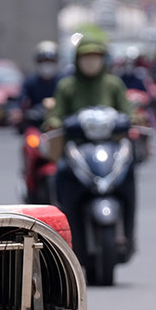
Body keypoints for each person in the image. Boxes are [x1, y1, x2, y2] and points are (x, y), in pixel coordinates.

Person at [45, 37, 138, 253]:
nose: (91, 63)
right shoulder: (67, 86)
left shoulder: (113, 84)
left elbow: (127, 110)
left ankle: (129, 235)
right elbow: (56, 114)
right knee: (59, 175)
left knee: (129, 177)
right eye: (86, 58)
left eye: (95, 58)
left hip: (111, 148)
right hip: (77, 149)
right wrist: (53, 122)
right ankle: (63, 235)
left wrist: (135, 117)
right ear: (78, 60)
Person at [19, 41, 61, 117]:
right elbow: (20, 101)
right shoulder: (30, 82)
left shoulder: (63, 82)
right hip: (34, 122)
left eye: (50, 61)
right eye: (43, 61)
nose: (47, 65)